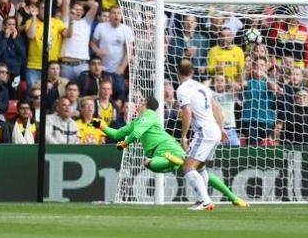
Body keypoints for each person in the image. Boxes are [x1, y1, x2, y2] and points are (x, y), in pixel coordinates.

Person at [96, 94, 246, 208]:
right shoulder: (137, 121)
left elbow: (136, 135)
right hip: (162, 152)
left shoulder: (148, 115)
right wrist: (100, 125)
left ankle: (229, 197)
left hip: (166, 147)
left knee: (150, 164)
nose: (138, 104)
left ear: (147, 105)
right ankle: (232, 198)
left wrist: (124, 144)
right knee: (196, 171)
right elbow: (116, 134)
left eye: (141, 102)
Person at [176, 59, 228, 210]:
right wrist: (221, 128)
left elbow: (187, 112)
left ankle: (206, 201)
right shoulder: (201, 86)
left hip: (204, 132)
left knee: (187, 167)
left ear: (177, 73)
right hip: (214, 130)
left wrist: (184, 136)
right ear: (192, 72)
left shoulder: (182, 89)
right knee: (200, 167)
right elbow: (217, 107)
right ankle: (200, 201)